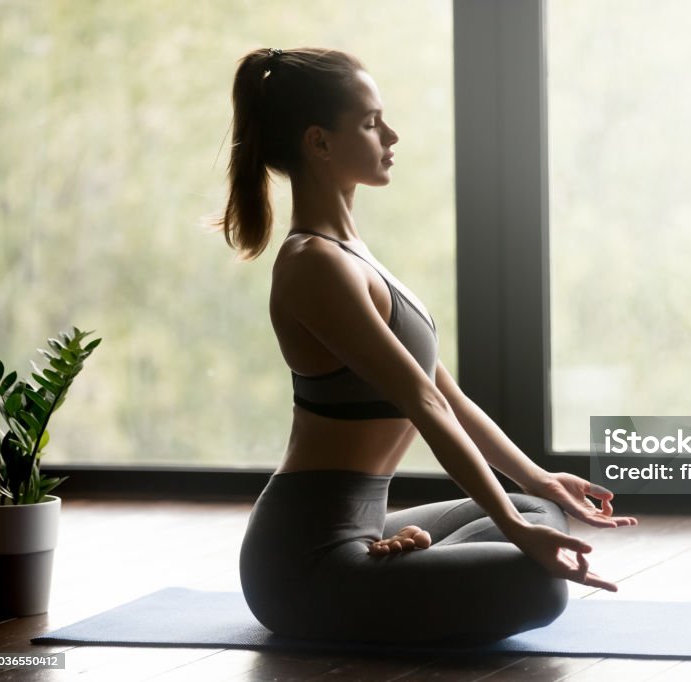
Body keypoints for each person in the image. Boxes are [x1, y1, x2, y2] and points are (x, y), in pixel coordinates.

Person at [221, 46, 637, 644]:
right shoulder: (313, 264)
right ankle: (391, 571)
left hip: (363, 530)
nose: (390, 134)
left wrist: (541, 481)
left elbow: (451, 396)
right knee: (534, 580)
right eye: (369, 123)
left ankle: (409, 559)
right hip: (303, 563)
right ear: (319, 143)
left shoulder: (350, 251)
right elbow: (425, 405)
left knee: (533, 511)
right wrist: (517, 534)